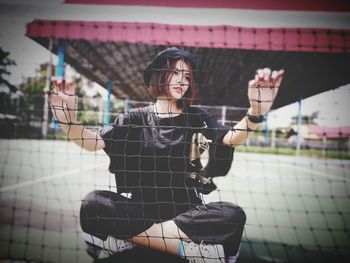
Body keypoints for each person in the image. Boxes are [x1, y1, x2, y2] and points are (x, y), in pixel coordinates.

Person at [49, 47, 284, 262]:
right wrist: (68, 121)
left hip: (187, 214)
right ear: (158, 76)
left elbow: (231, 137)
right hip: (139, 211)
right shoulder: (134, 119)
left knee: (232, 215)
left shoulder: (196, 116)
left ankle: (130, 240)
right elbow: (92, 142)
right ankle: (187, 250)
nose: (183, 80)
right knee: (93, 202)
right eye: (176, 73)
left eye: (188, 76)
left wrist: (256, 113)